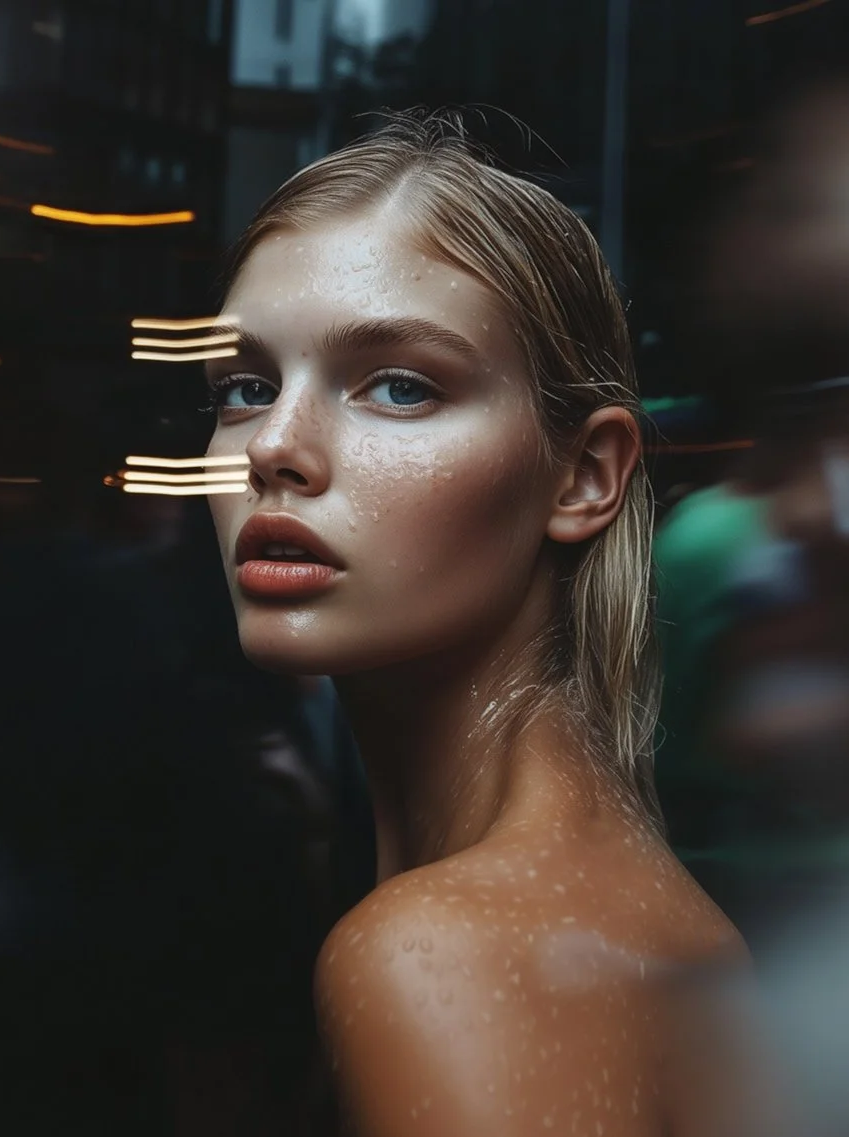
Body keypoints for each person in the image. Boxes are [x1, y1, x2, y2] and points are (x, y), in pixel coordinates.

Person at [204, 112, 755, 1136]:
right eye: (245, 386)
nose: (273, 446)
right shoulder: (614, 904)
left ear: (583, 475)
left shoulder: (446, 951)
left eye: (400, 387)